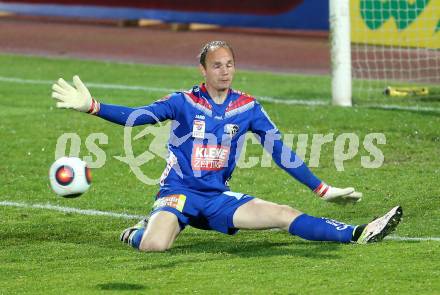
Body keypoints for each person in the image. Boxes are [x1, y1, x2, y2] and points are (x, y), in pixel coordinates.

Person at [51, 41, 402, 252]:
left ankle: (358, 234)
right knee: (156, 245)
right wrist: (93, 106)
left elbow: (279, 151)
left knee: (282, 214)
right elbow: (139, 117)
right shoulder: (183, 102)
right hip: (179, 192)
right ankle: (135, 232)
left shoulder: (248, 107)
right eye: (216, 65)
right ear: (203, 69)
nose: (224, 71)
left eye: (229, 64)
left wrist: (321, 188)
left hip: (218, 197)